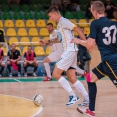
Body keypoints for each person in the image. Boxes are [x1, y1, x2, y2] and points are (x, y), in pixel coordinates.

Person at [71, 1, 117, 116]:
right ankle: (91, 110)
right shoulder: (114, 23)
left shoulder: (95, 23)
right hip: (108, 61)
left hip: (110, 62)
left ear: (95, 12)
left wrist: (78, 41)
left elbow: (90, 45)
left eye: (91, 11)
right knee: (90, 78)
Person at [46, 6, 89, 107]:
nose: (50, 18)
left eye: (50, 16)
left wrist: (86, 43)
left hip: (69, 51)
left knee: (55, 74)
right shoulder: (59, 25)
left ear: (56, 14)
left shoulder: (63, 21)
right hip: (71, 51)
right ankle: (88, 99)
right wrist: (47, 42)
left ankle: (72, 96)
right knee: (72, 77)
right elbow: (59, 40)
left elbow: (78, 29)